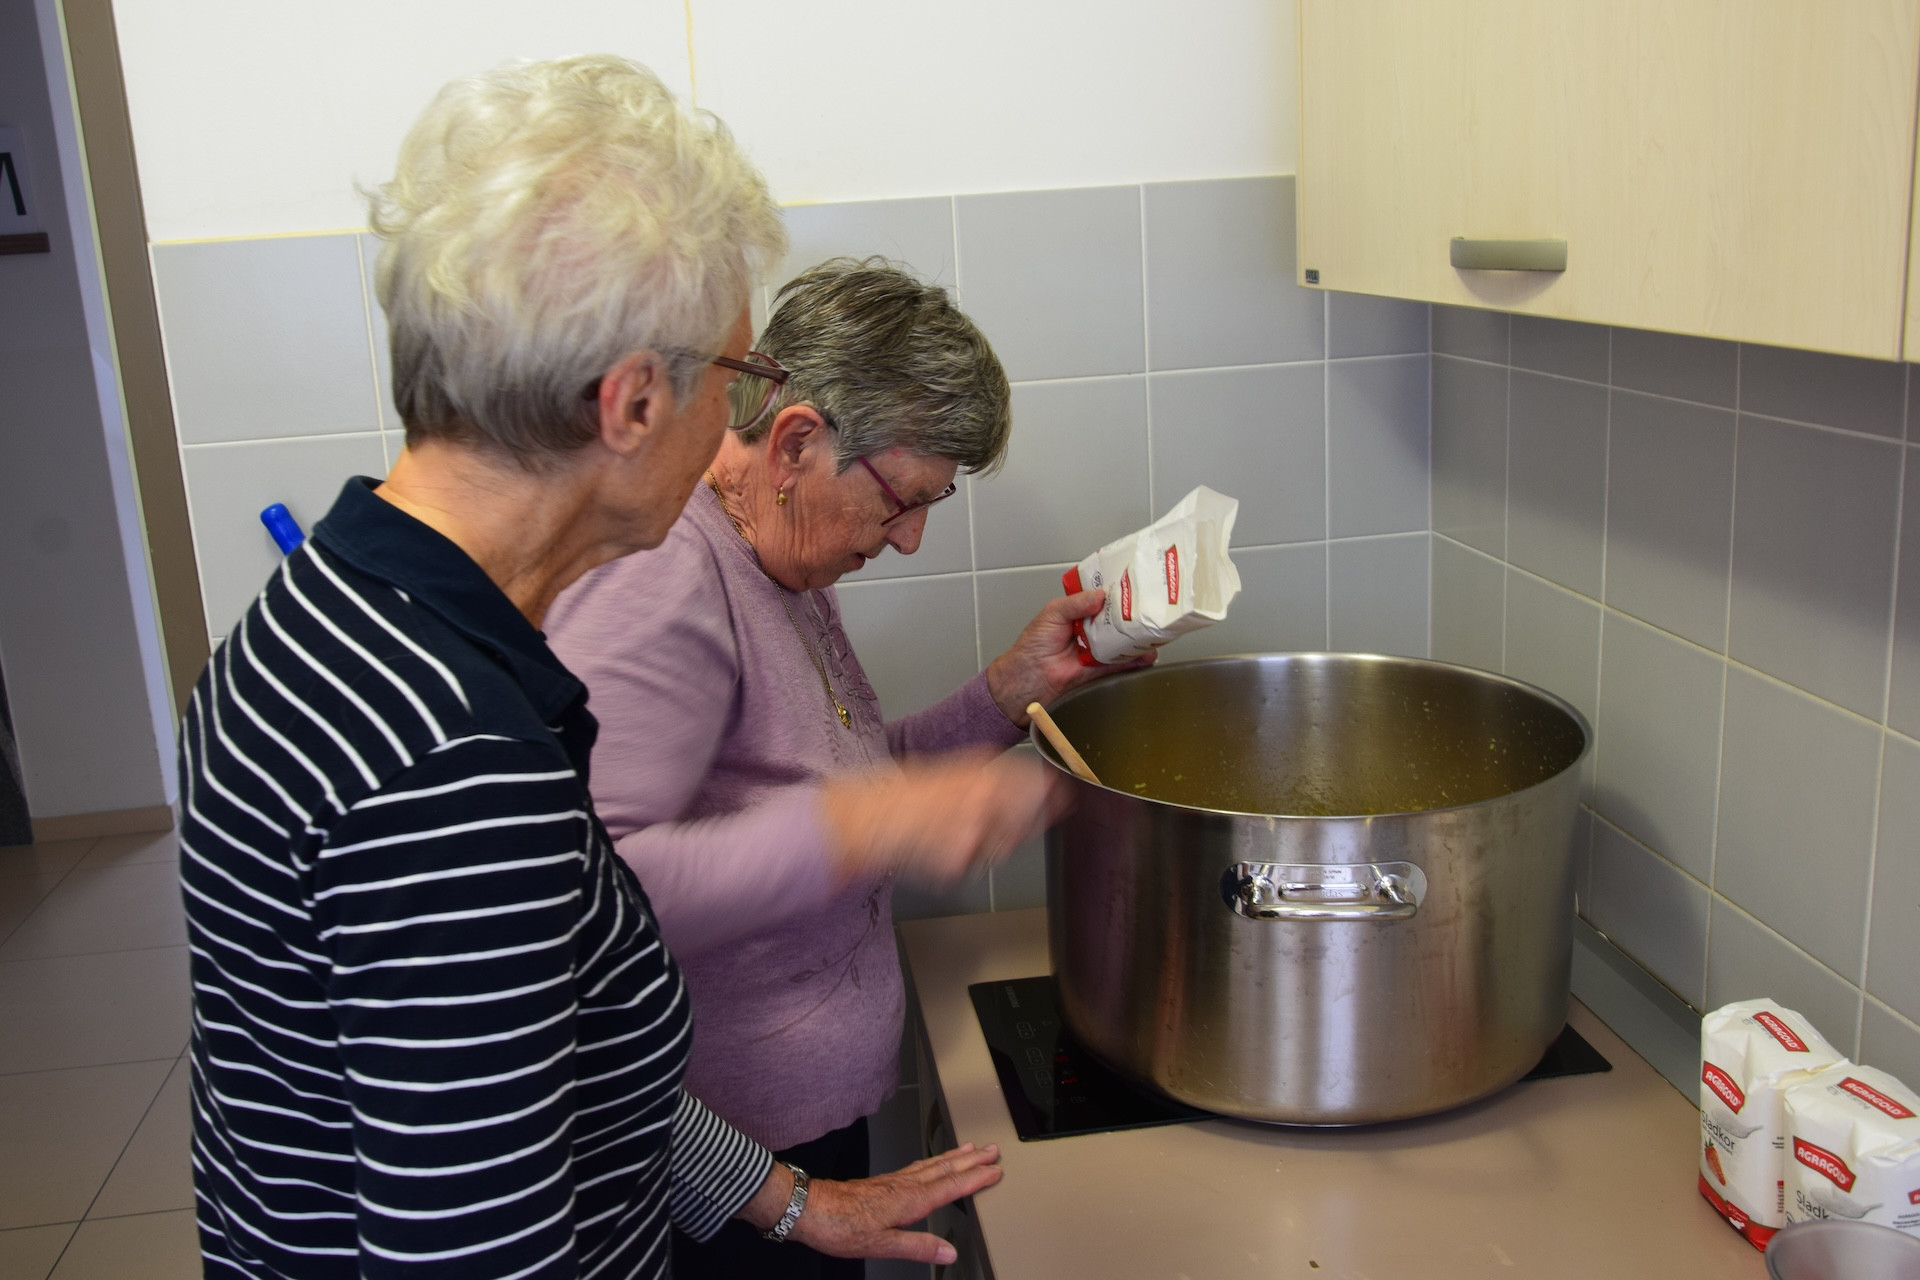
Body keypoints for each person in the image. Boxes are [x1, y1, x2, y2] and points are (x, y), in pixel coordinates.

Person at [178, 58, 1031, 1280]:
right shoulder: (453, 760)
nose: (738, 431)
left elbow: (572, 1055)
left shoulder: (333, 618)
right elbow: (472, 1248)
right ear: (633, 402)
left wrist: (791, 1203)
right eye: (738, 379)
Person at [545, 257, 1146, 1279]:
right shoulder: (661, 580)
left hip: (788, 1142)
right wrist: (870, 828)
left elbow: (832, 783)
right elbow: (591, 892)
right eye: (904, 499)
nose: (909, 539)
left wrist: (1007, 693)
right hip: (714, 1182)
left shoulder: (779, 551)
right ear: (795, 442)